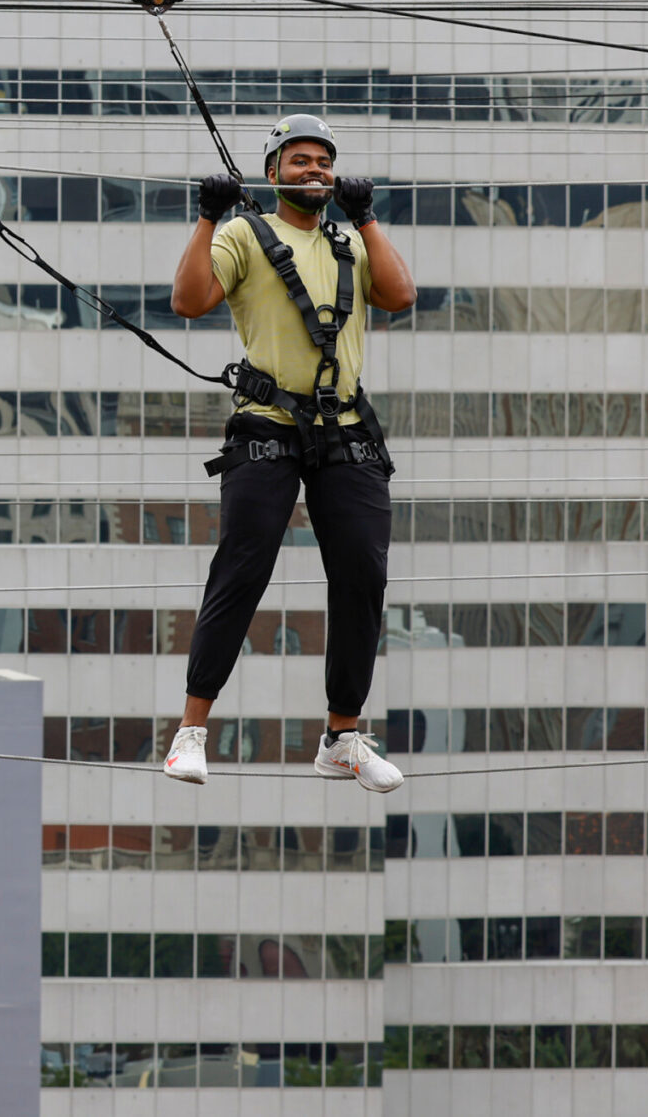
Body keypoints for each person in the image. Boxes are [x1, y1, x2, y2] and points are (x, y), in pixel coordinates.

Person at [160, 114, 416, 792]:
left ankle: (343, 736)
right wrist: (208, 218)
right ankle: (190, 730)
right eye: (299, 160)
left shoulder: (347, 240)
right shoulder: (246, 232)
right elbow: (189, 300)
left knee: (363, 573)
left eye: (323, 163)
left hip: (346, 431)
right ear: (272, 174)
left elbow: (400, 295)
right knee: (242, 568)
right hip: (267, 426)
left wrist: (366, 219)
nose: (314, 170)